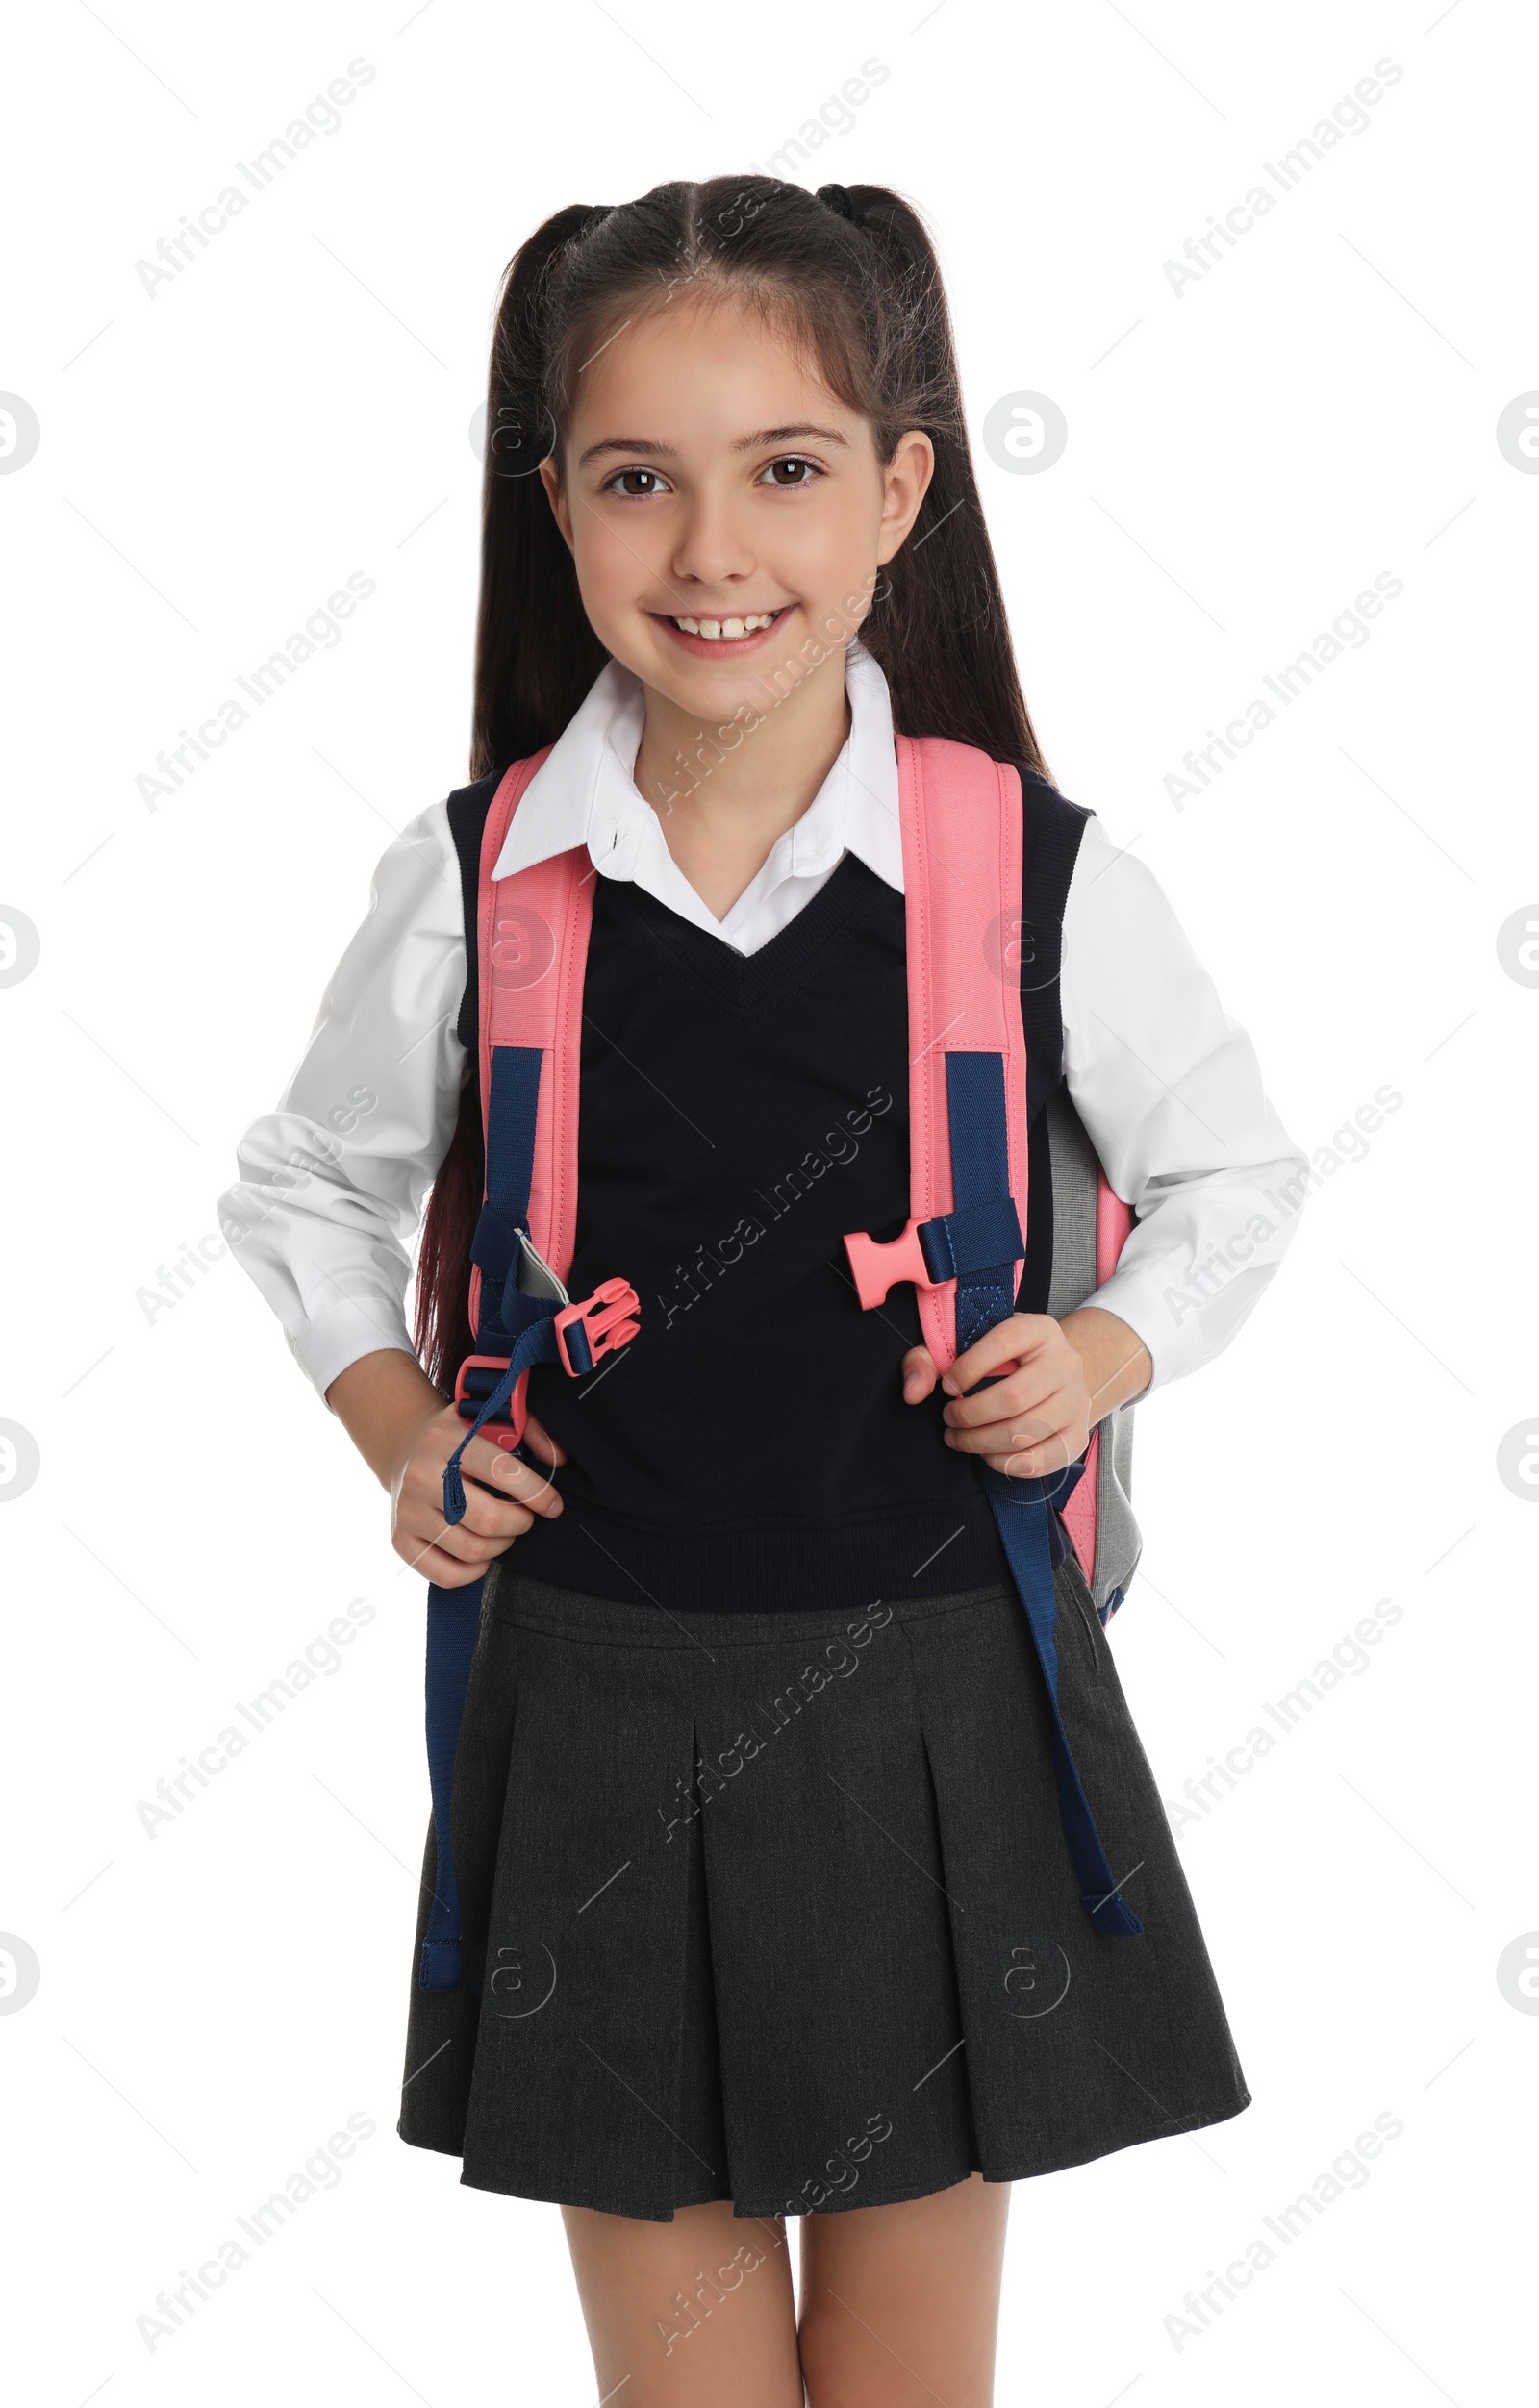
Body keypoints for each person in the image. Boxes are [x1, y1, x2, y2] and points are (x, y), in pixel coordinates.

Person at [222, 177, 1308, 2408]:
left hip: (943, 1696)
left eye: (787, 471)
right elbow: (306, 1184)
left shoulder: (1026, 873)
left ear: (898, 490)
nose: (713, 551)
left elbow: (1235, 1178)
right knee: (685, 2388)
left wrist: (1098, 1353)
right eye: (639, 479)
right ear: (560, 510)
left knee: (908, 2381)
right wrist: (398, 1427)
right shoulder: (480, 879)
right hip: (595, 1704)